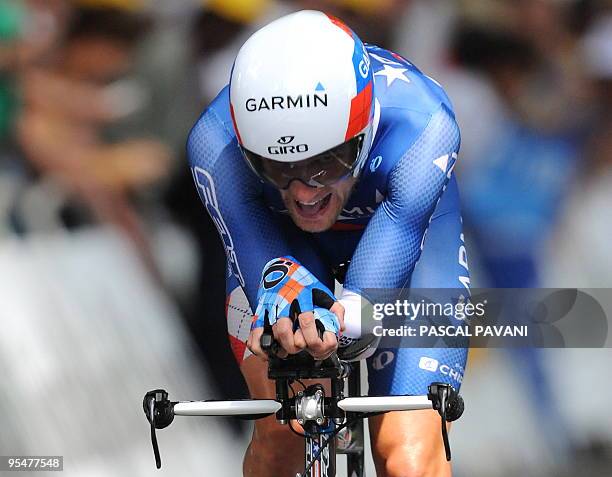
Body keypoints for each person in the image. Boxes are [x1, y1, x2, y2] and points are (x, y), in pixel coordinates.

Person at [188, 10, 468, 477]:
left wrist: (349, 315)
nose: (303, 191)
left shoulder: (423, 123)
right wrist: (286, 298)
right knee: (284, 432)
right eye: (276, 168)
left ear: (365, 131)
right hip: (281, 242)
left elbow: (396, 238)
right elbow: (256, 250)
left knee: (408, 458)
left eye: (328, 162)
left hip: (409, 248)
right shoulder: (214, 141)